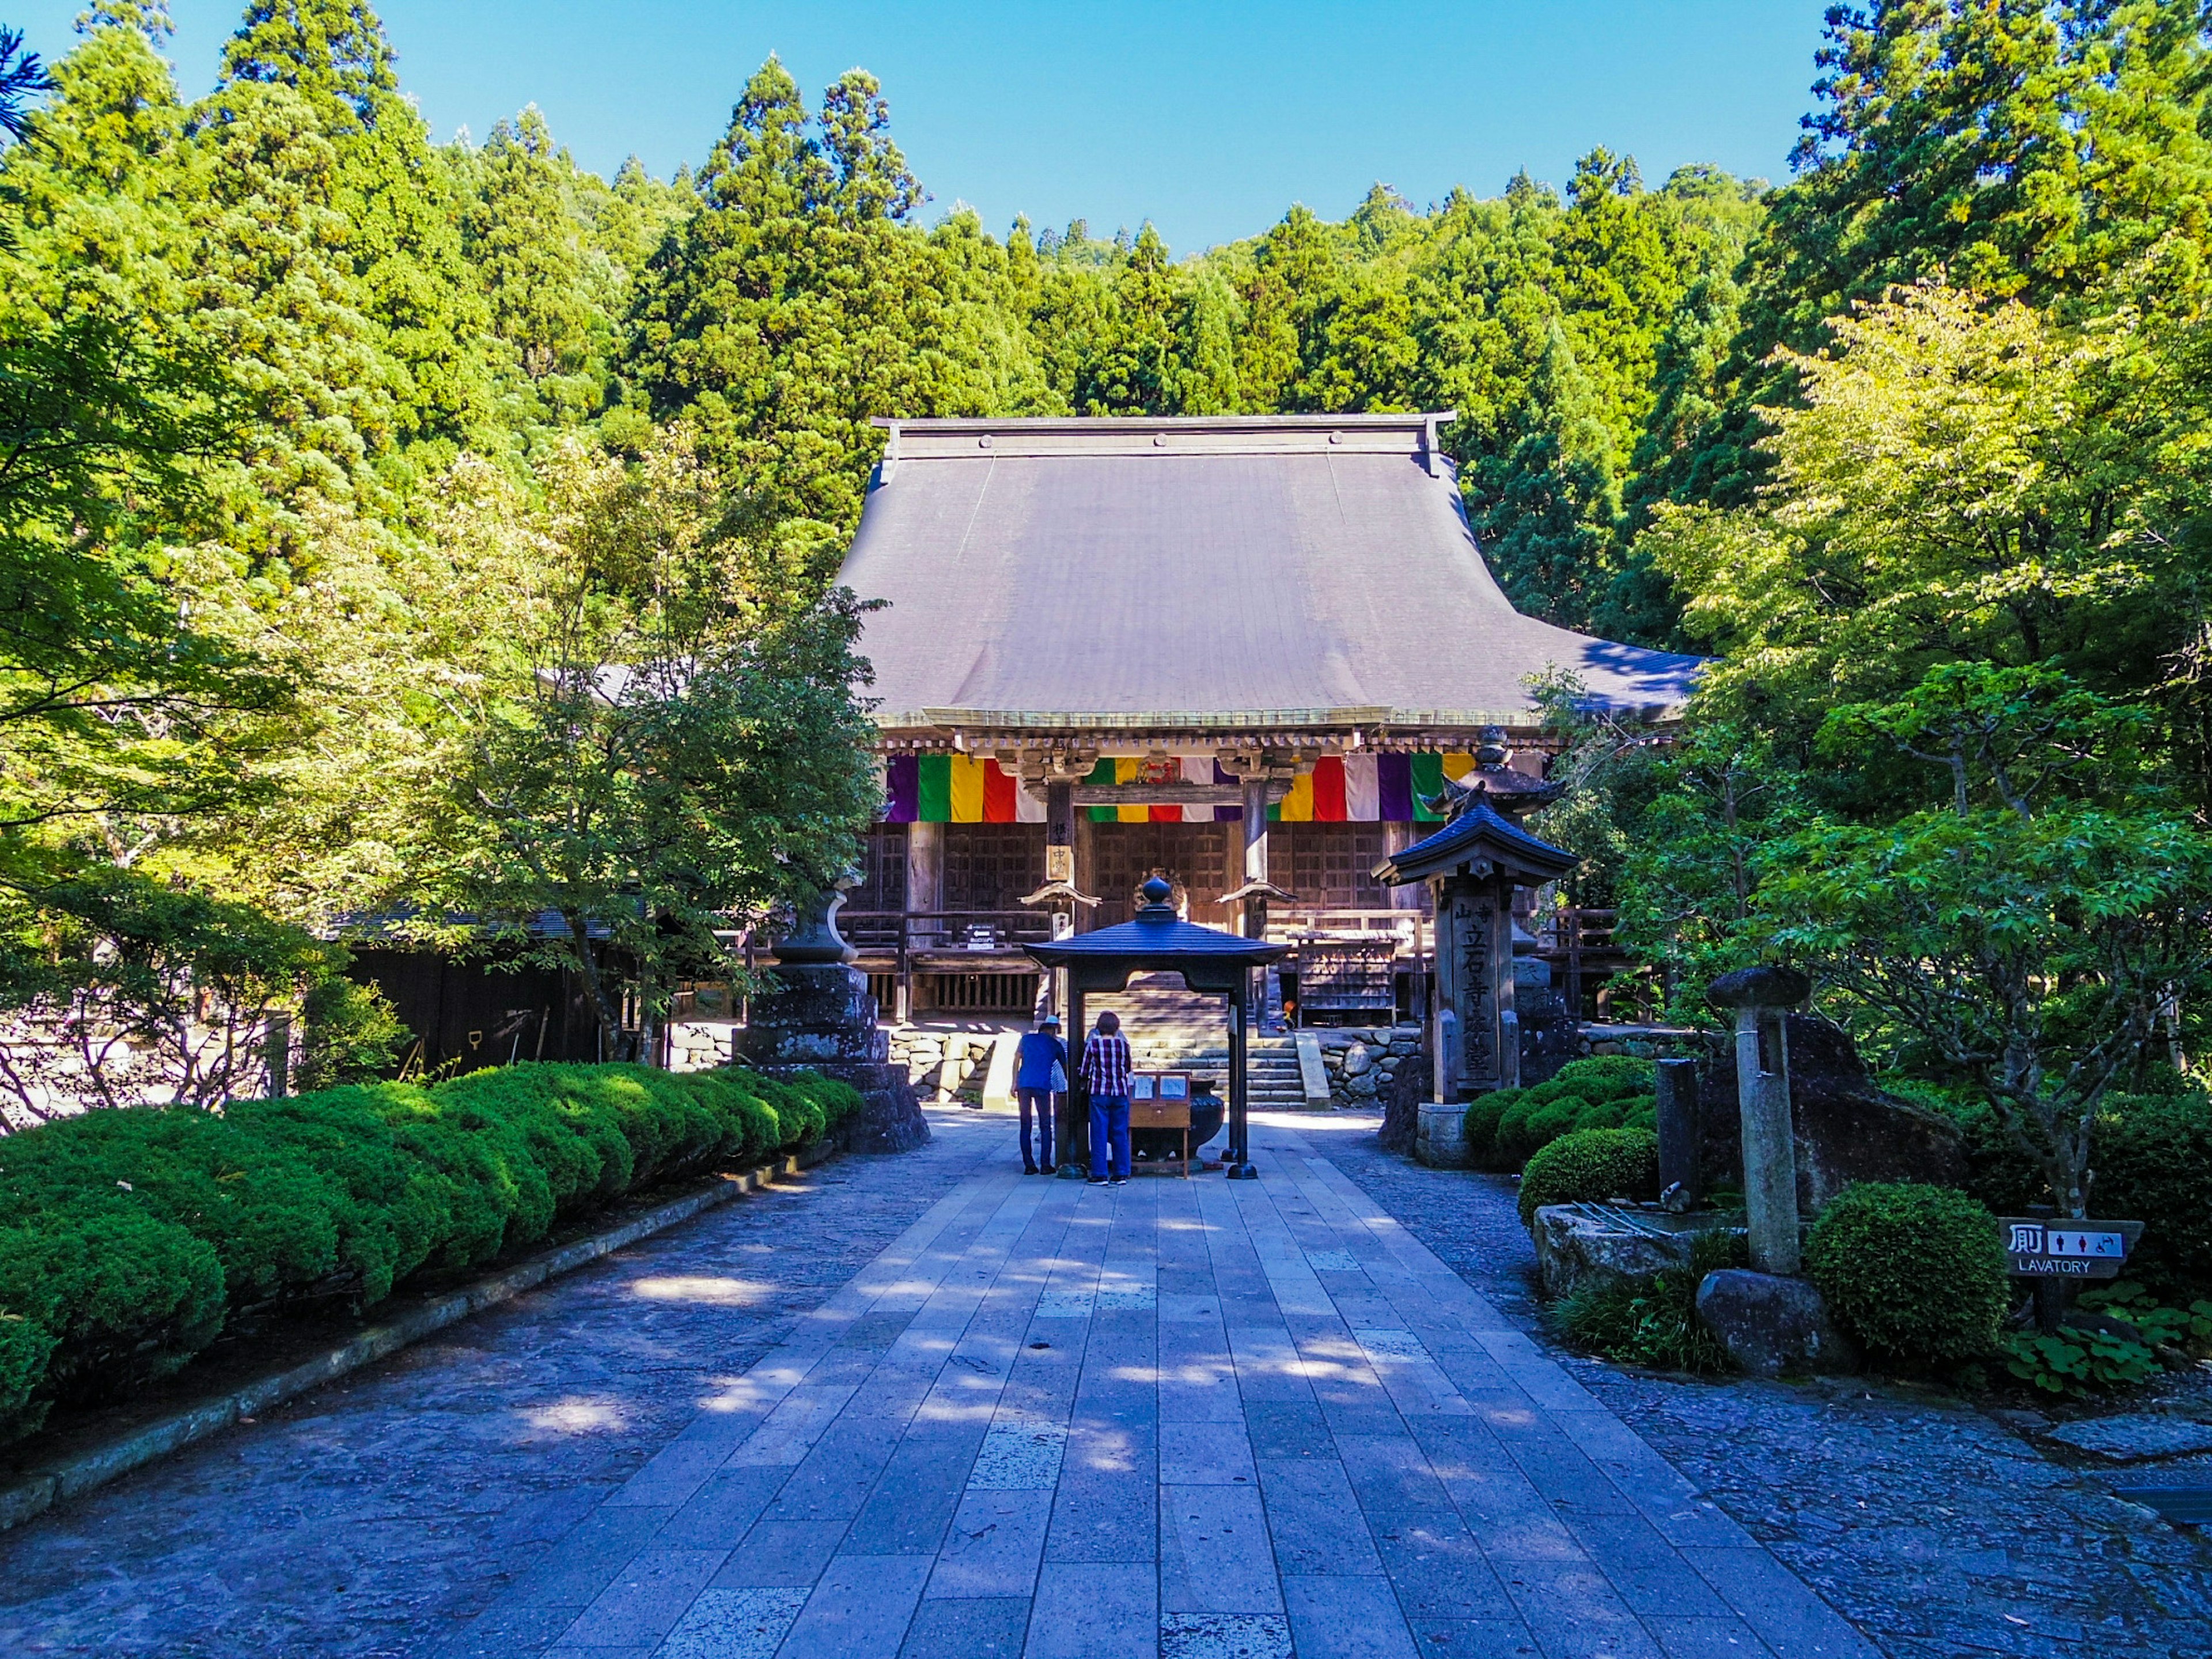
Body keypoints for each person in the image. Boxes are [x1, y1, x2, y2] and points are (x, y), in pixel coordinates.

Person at [1080, 1009, 1133, 1187]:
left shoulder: (1093, 1045)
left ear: (1099, 1027)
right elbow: (1127, 1068)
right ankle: (1121, 1173)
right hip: (1120, 1092)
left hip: (1099, 1092)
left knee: (1099, 1132)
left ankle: (1100, 1174)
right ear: (1117, 1027)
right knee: (1120, 1132)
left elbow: (1085, 1070)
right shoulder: (1124, 1045)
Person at [1013, 1014, 1067, 1175]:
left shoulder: (1026, 1039)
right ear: (1052, 1031)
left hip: (1024, 1084)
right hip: (1042, 1086)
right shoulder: (1055, 1044)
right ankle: (1045, 1165)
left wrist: (1014, 1082)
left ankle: (1029, 1165)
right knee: (1045, 1126)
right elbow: (1066, 1068)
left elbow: (1016, 1060)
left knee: (1026, 1125)